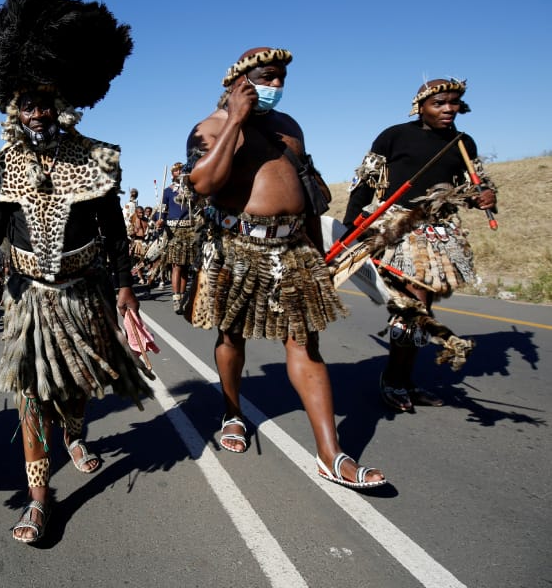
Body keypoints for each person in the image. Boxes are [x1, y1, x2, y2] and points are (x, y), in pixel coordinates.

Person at [0, 0, 155, 544]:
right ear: (14, 108)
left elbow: (113, 232)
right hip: (29, 298)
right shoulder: (0, 166)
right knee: (31, 394)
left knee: (73, 389)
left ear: (63, 103)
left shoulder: (95, 159)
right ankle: (39, 499)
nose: (38, 111)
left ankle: (74, 432)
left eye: (46, 101)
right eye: (28, 102)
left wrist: (125, 287)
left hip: (83, 292)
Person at [186, 47, 386, 489]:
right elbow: (203, 183)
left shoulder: (289, 127)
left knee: (305, 345)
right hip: (238, 250)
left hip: (295, 251)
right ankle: (233, 412)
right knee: (231, 336)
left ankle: (330, 455)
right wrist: (236, 120)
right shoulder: (211, 127)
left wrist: (319, 253)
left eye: (281, 79)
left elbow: (309, 196)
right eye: (267, 78)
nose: (276, 86)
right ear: (238, 81)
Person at [343, 78, 496, 412]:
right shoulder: (394, 136)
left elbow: (473, 187)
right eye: (439, 103)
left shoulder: (463, 143)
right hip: (396, 230)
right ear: (420, 106)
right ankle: (395, 381)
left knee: (419, 310)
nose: (448, 109)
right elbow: (365, 181)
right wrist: (350, 228)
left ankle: (402, 380)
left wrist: (484, 196)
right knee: (415, 305)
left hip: (438, 234)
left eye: (453, 103)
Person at [157, 161, 200, 313]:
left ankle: (182, 297)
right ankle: (176, 298)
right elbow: (162, 211)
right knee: (177, 265)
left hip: (190, 231)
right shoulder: (168, 191)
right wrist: (160, 220)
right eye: (176, 170)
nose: (179, 172)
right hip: (174, 231)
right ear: (172, 174)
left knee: (186, 266)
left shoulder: (192, 191)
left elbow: (199, 206)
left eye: (182, 170)